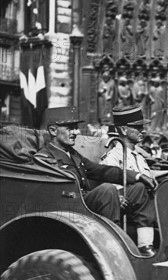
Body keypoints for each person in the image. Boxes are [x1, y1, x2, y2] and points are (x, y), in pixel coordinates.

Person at [35, 107, 157, 256]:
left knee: (139, 188)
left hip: (82, 203)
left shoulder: (73, 154)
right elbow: (59, 190)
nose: (77, 132)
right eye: (70, 129)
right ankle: (116, 245)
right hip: (69, 207)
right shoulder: (44, 158)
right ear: (53, 131)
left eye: (76, 128)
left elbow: (101, 170)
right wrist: (113, 195)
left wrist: (138, 176)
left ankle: (145, 245)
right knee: (107, 190)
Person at [100, 106, 159, 254]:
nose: (143, 131)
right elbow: (110, 189)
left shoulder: (139, 157)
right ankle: (145, 245)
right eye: (138, 127)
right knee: (140, 187)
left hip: (144, 206)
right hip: (125, 205)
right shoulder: (112, 157)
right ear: (124, 130)